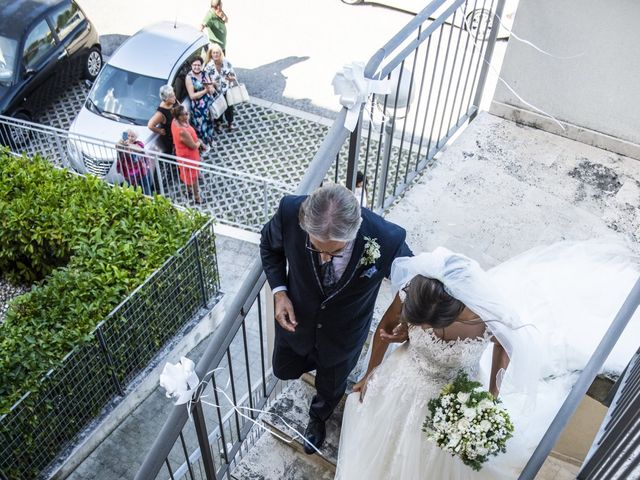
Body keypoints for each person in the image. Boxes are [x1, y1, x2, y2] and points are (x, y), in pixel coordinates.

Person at [335, 241, 640, 479]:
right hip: (401, 379)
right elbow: (384, 329)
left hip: (448, 396)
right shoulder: (414, 292)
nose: (423, 328)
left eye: (429, 325)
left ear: (453, 311)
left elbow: (504, 348)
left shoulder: (486, 318)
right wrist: (370, 371)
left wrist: (492, 394)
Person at [260, 184, 413, 454]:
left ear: (356, 233)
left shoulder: (387, 239)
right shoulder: (290, 211)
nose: (324, 257)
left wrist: (406, 320)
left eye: (334, 252)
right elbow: (269, 247)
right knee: (283, 370)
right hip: (297, 326)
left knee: (331, 388)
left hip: (344, 334)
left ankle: (318, 419)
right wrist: (279, 293)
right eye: (316, 248)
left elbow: (413, 282)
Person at [171, 104, 205, 204]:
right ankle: (197, 197)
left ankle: (189, 191)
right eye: (186, 114)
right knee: (192, 176)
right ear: (180, 116)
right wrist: (200, 142)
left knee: (186, 173)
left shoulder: (176, 121)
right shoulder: (182, 131)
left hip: (183, 154)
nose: (188, 114)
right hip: (188, 156)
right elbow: (193, 146)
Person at [204, 42, 237, 132]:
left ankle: (230, 123)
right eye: (213, 53)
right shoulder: (209, 66)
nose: (215, 54)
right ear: (211, 54)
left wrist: (230, 78)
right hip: (216, 91)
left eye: (217, 52)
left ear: (220, 53)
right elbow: (205, 80)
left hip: (226, 89)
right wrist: (212, 83)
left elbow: (234, 77)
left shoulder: (227, 62)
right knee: (219, 107)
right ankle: (218, 124)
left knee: (229, 107)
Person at [185, 56, 216, 149]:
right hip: (198, 107)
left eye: (198, 65)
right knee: (201, 127)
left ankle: (211, 139)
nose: (197, 67)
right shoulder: (189, 77)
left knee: (210, 122)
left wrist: (211, 88)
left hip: (208, 104)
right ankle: (204, 143)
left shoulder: (204, 74)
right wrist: (205, 91)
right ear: (191, 66)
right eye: (194, 65)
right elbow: (192, 96)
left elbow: (211, 89)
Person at [115, 129, 154, 195]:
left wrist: (128, 145)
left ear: (136, 138)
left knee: (145, 187)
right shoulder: (123, 143)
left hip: (142, 170)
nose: (130, 138)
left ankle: (148, 200)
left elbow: (138, 149)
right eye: (128, 136)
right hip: (128, 172)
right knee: (131, 188)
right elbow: (117, 146)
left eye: (132, 136)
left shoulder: (139, 143)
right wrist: (121, 142)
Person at [147, 85, 177, 155]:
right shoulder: (161, 113)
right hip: (170, 139)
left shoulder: (173, 102)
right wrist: (159, 130)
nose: (174, 98)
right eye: (172, 97)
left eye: (174, 95)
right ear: (166, 99)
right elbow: (150, 125)